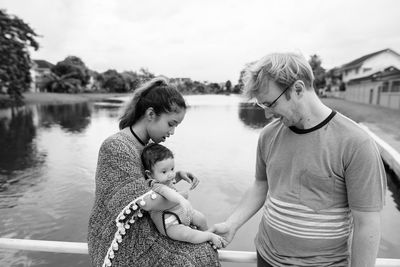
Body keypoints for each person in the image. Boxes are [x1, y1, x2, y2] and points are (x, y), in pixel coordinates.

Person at [209, 52, 387, 267]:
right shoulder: (268, 135)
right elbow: (260, 185)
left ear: (298, 89)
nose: (267, 115)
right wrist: (232, 224)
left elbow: (367, 224)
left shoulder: (356, 143)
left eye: (270, 104)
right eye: (262, 106)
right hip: (266, 257)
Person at [88, 77, 220, 267]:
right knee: (192, 260)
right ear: (151, 114)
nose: (173, 131)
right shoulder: (116, 147)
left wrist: (175, 174)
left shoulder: (147, 145)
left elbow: (147, 180)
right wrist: (180, 196)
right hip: (119, 236)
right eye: (171, 124)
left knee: (203, 250)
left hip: (146, 224)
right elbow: (141, 201)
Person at [141, 143, 225, 247]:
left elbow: (172, 179)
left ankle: (207, 234)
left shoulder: (165, 179)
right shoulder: (154, 185)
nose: (171, 174)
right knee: (187, 234)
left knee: (201, 218)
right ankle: (209, 236)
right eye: (164, 171)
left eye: (172, 169)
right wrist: (182, 199)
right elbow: (168, 192)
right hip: (169, 224)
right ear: (149, 174)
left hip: (181, 212)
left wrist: (180, 174)